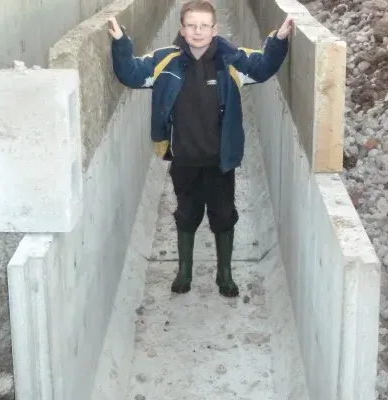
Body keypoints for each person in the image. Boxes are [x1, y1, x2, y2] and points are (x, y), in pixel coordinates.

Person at [107, 0, 292, 297]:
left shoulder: (231, 60)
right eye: (191, 25)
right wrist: (120, 41)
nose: (197, 31)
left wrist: (279, 39)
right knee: (187, 214)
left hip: (221, 160)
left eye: (204, 26)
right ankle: (184, 271)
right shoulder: (165, 61)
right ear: (182, 28)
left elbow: (263, 67)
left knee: (223, 215)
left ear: (214, 29)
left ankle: (225, 274)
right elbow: (131, 73)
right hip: (184, 159)